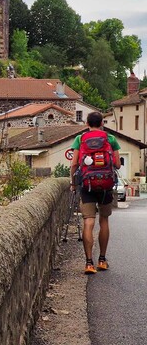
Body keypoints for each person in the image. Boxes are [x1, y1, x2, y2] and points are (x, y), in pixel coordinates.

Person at [70, 111, 121, 274]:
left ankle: (89, 263)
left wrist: (73, 183)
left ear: (86, 124)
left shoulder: (80, 139)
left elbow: (74, 164)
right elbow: (118, 164)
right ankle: (102, 260)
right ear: (102, 123)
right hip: (106, 185)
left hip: (87, 185)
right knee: (104, 221)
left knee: (88, 222)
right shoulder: (111, 139)